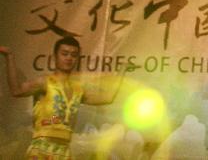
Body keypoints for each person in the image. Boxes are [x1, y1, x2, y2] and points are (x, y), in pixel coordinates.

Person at [1, 37, 132, 160]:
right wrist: (9, 56)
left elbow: (107, 98)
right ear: (55, 56)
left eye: (73, 55)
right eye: (64, 53)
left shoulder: (78, 89)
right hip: (41, 150)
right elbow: (17, 90)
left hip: (64, 151)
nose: (69, 58)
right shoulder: (45, 82)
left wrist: (122, 70)